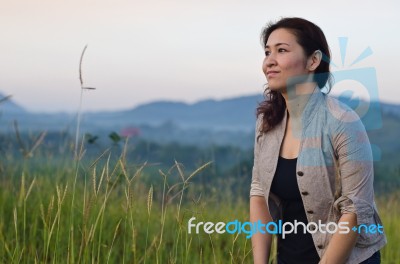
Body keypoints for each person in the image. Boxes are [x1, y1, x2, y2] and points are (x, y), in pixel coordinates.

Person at [249, 17, 386, 264]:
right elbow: (259, 193)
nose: (269, 60)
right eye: (267, 52)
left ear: (313, 60)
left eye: (281, 50)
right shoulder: (266, 124)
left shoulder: (343, 122)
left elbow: (355, 211)